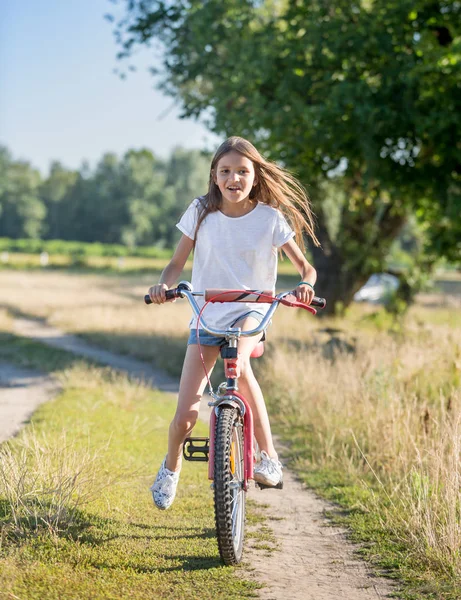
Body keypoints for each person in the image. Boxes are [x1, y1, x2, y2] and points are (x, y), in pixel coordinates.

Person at [148, 136, 320, 510]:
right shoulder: (200, 212)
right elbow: (176, 264)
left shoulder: (271, 219)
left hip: (252, 310)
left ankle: (268, 457)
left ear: (256, 176)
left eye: (243, 171)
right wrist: (164, 284)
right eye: (225, 171)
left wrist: (304, 286)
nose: (234, 178)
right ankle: (171, 467)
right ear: (214, 175)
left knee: (239, 365)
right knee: (186, 416)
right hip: (207, 312)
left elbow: (306, 269)